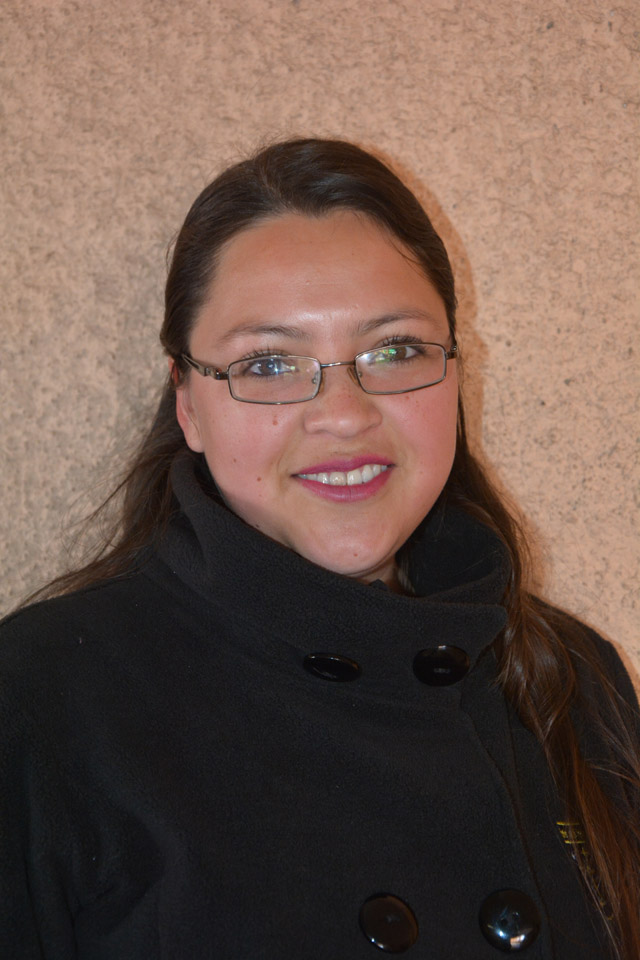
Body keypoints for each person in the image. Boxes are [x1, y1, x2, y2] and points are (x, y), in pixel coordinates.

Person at [0, 138, 638, 960]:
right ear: (188, 405)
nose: (343, 413)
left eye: (395, 351)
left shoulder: (573, 677)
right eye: (269, 363)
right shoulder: (41, 701)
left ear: (455, 374)